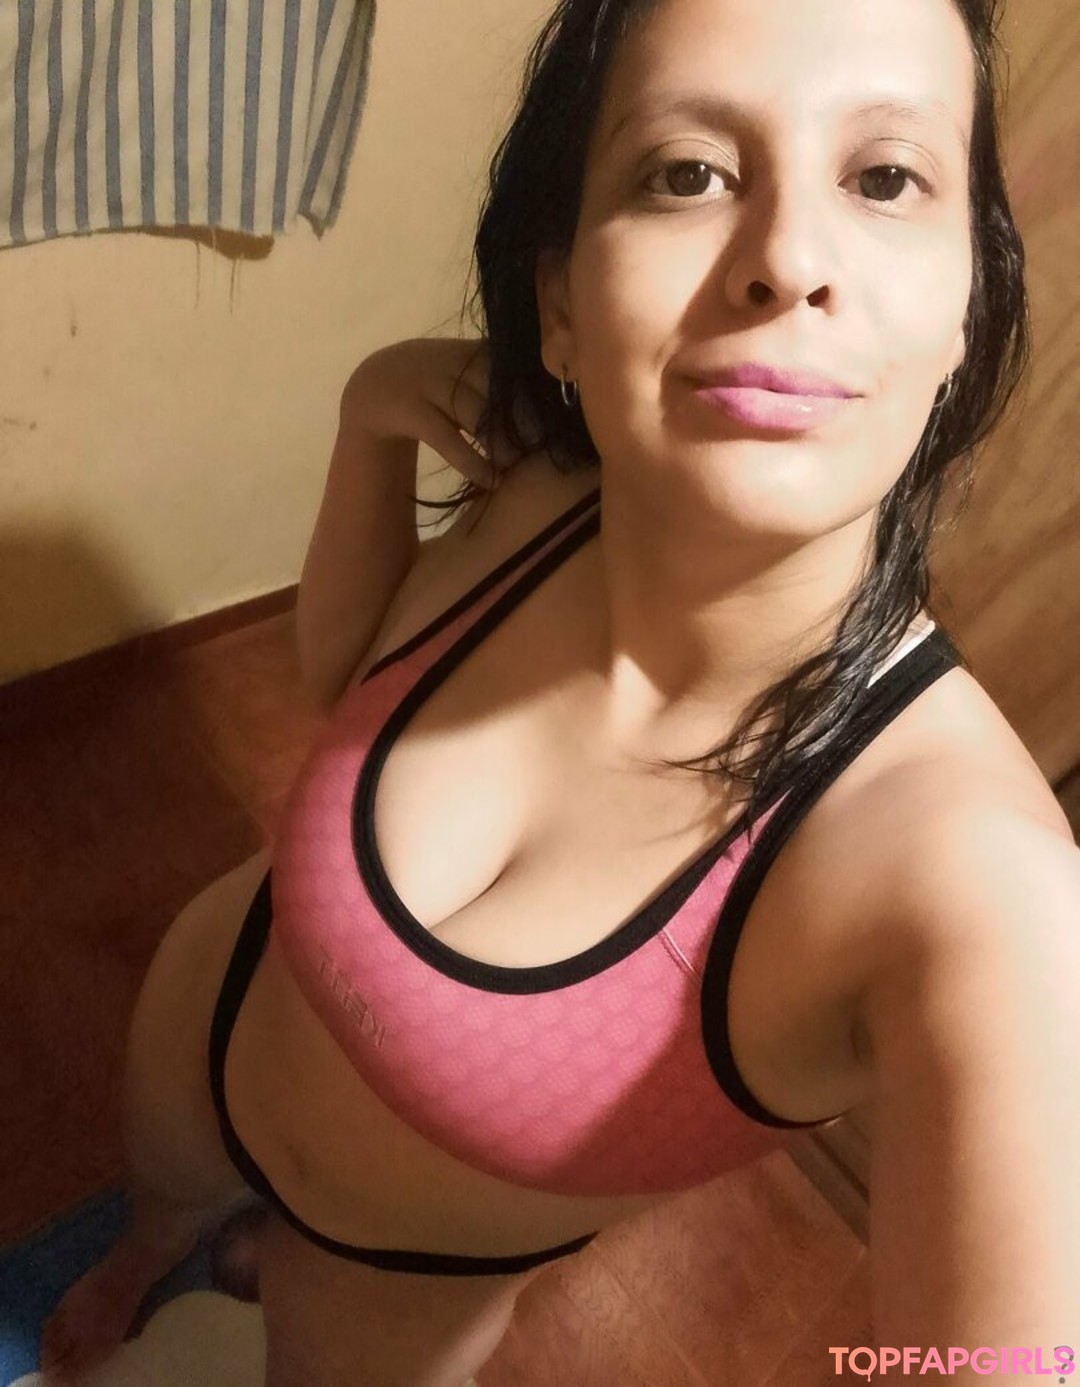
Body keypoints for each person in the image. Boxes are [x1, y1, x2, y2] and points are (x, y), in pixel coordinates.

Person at [40, 0, 1080, 1382]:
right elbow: (346, 681)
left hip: (382, 1286)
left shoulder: (973, 881)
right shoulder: (542, 494)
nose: (787, 258)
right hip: (209, 1013)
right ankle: (150, 1246)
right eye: (688, 172)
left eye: (885, 177)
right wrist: (369, 416)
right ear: (562, 303)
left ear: (968, 308)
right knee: (141, 1234)